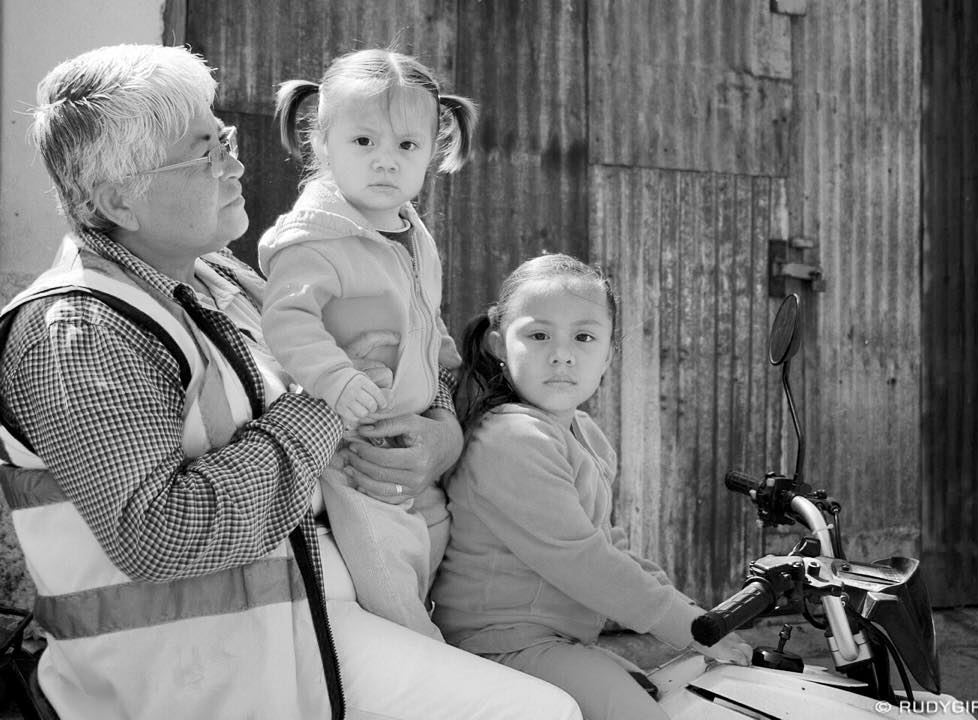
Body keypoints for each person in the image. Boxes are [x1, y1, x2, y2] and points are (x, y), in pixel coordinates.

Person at [0, 44, 581, 720]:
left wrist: (439, 435)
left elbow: (404, 363)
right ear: (117, 200)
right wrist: (322, 409)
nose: (236, 163)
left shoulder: (226, 282)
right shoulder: (77, 330)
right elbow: (157, 534)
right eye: (204, 153)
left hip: (307, 625)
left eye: (225, 139)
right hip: (199, 674)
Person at [431, 254, 752, 720]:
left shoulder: (585, 434)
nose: (562, 354)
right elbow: (585, 561)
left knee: (679, 692)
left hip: (558, 640)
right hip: (501, 642)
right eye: (539, 335)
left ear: (608, 353)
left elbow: (610, 547)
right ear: (501, 344)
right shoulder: (510, 439)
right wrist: (692, 628)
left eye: (584, 337)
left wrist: (695, 611)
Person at [258, 48, 475, 639]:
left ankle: (436, 651)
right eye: (362, 142)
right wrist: (337, 378)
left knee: (430, 542)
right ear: (321, 142)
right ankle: (418, 656)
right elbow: (289, 321)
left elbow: (423, 318)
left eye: (407, 146)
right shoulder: (315, 239)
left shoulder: (409, 232)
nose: (386, 161)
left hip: (407, 430)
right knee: (386, 571)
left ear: (435, 149)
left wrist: (444, 371)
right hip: (350, 446)